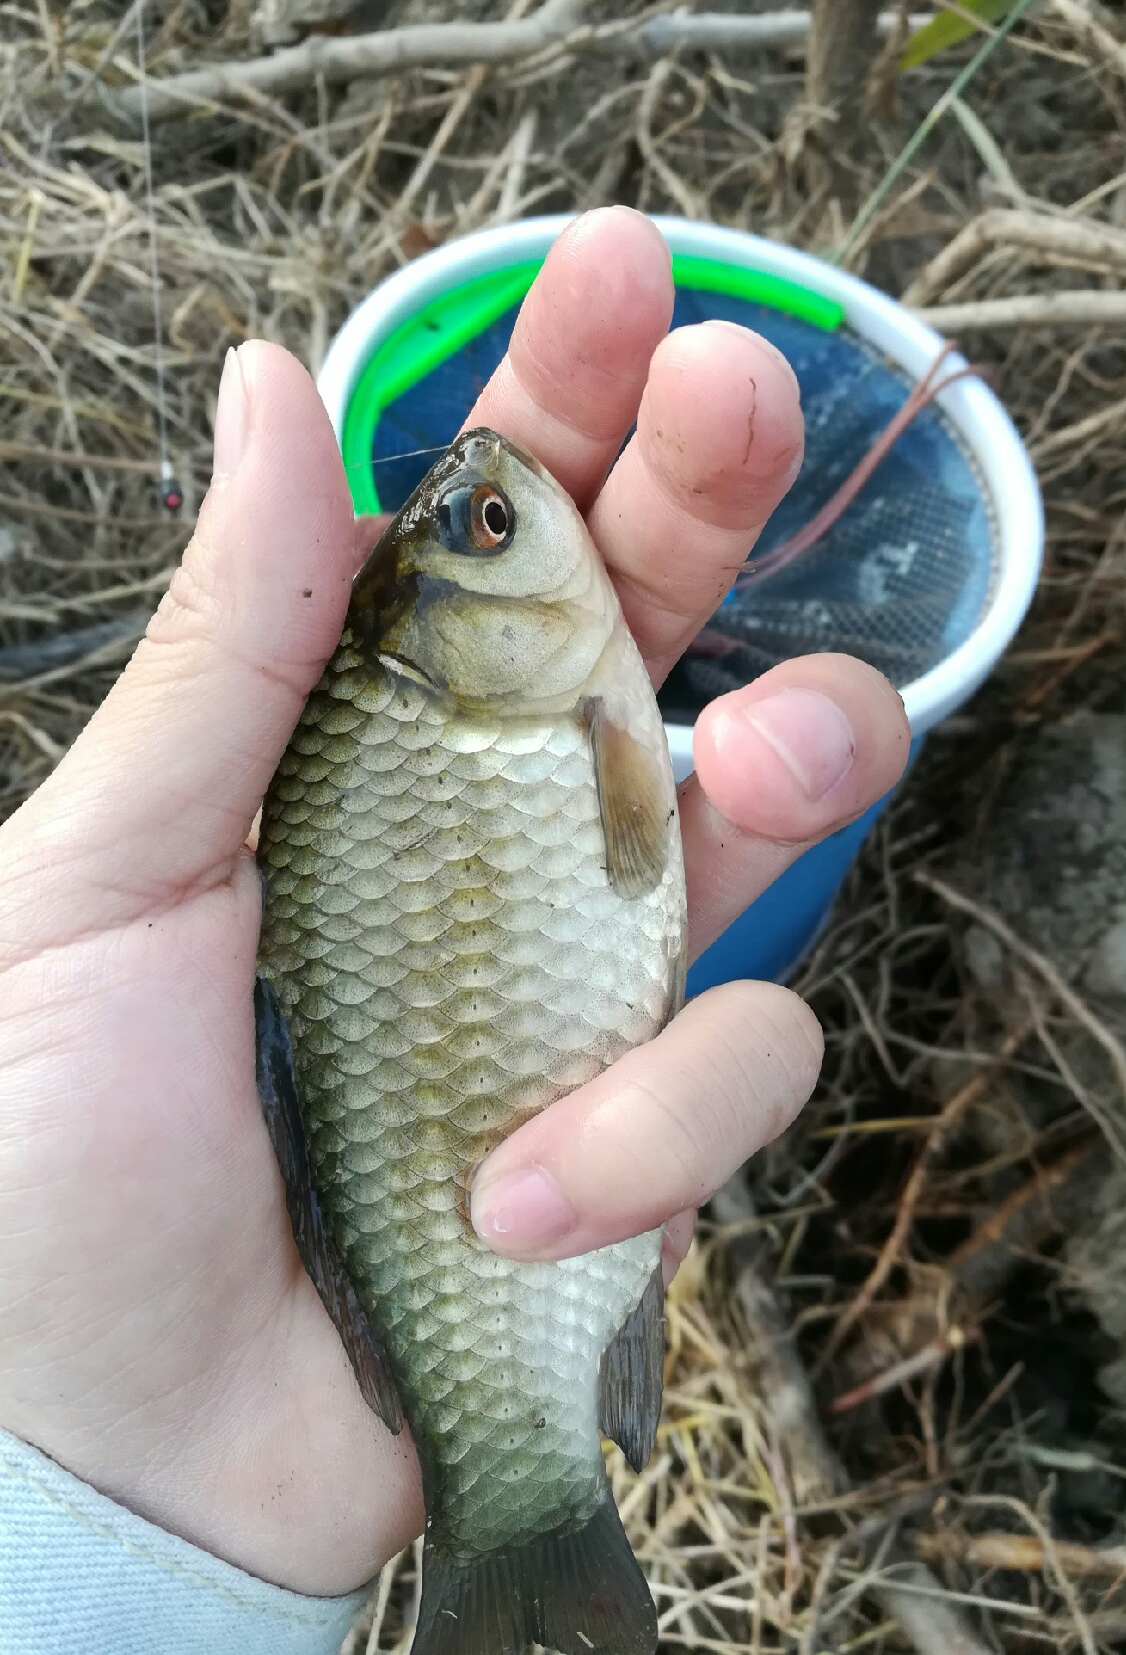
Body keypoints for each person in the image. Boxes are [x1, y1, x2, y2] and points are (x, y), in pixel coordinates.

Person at [0, 208, 909, 1653]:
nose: (502, 502)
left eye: (479, 523)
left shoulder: (532, 704)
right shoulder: (547, 713)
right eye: (488, 530)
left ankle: (522, 1505)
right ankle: (528, 1509)